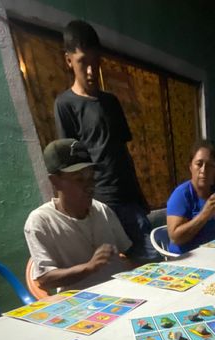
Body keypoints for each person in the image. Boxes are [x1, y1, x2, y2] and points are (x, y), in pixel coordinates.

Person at [54, 20, 158, 261]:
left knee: (151, 261)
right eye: (83, 63)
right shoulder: (65, 105)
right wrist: (81, 206)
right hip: (98, 203)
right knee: (109, 269)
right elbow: (70, 163)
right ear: (69, 60)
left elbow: (123, 152)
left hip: (129, 201)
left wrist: (140, 196)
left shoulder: (111, 102)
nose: (91, 71)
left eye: (95, 62)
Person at [24, 139, 132, 292]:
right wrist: (89, 267)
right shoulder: (41, 221)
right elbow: (45, 280)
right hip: (82, 305)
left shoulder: (102, 209)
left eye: (91, 178)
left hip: (124, 293)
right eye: (79, 179)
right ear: (55, 181)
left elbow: (123, 255)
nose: (89, 186)